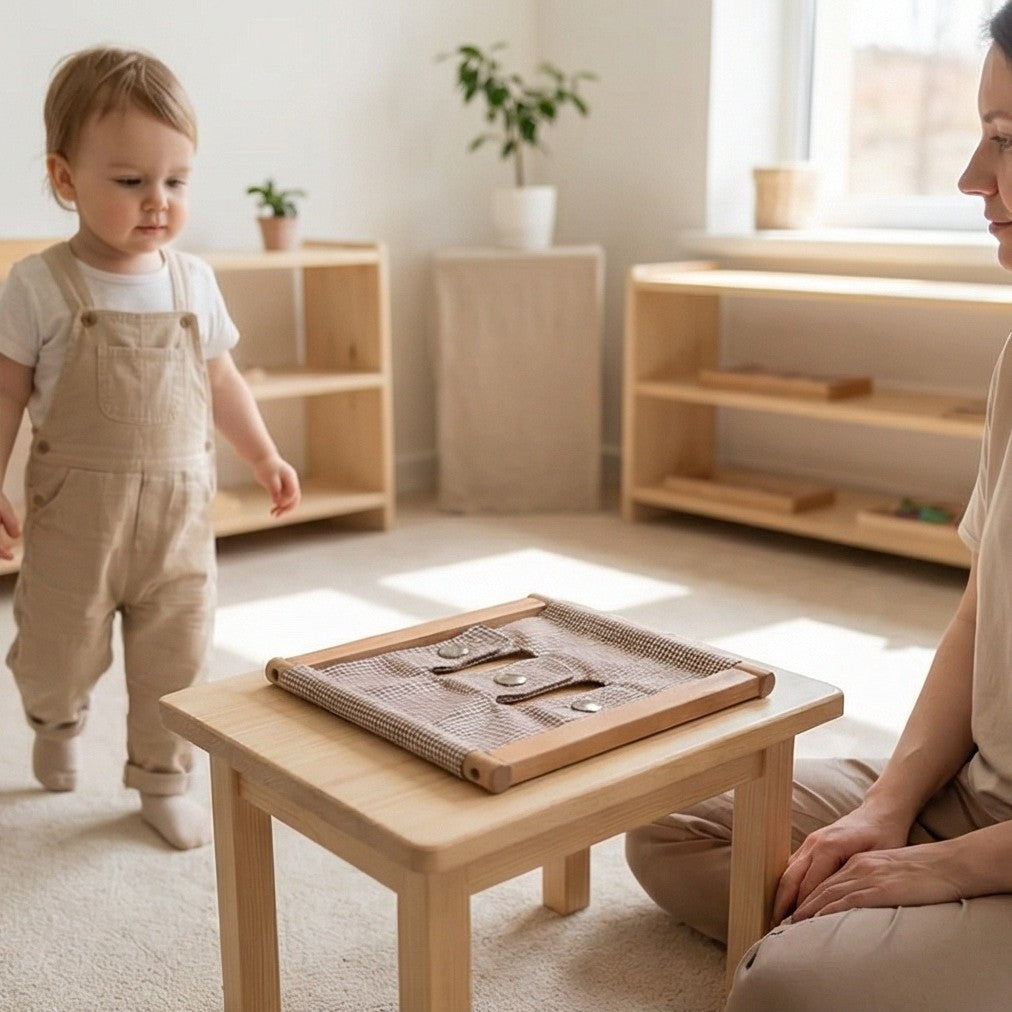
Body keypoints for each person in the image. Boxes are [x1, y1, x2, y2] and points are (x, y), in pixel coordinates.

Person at [625, 5, 1012, 1008]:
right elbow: (979, 610)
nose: (971, 177)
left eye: (1005, 141)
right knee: (668, 829)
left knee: (782, 990)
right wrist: (888, 809)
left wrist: (935, 873)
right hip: (975, 790)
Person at [0, 47, 301, 850]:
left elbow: (223, 381)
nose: (157, 202)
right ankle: (56, 720)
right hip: (74, 523)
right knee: (59, 644)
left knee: (177, 656)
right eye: (131, 181)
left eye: (177, 181)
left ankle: (161, 778)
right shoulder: (37, 286)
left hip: (177, 523)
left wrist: (264, 454)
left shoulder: (192, 281)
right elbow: (5, 394)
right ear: (66, 180)